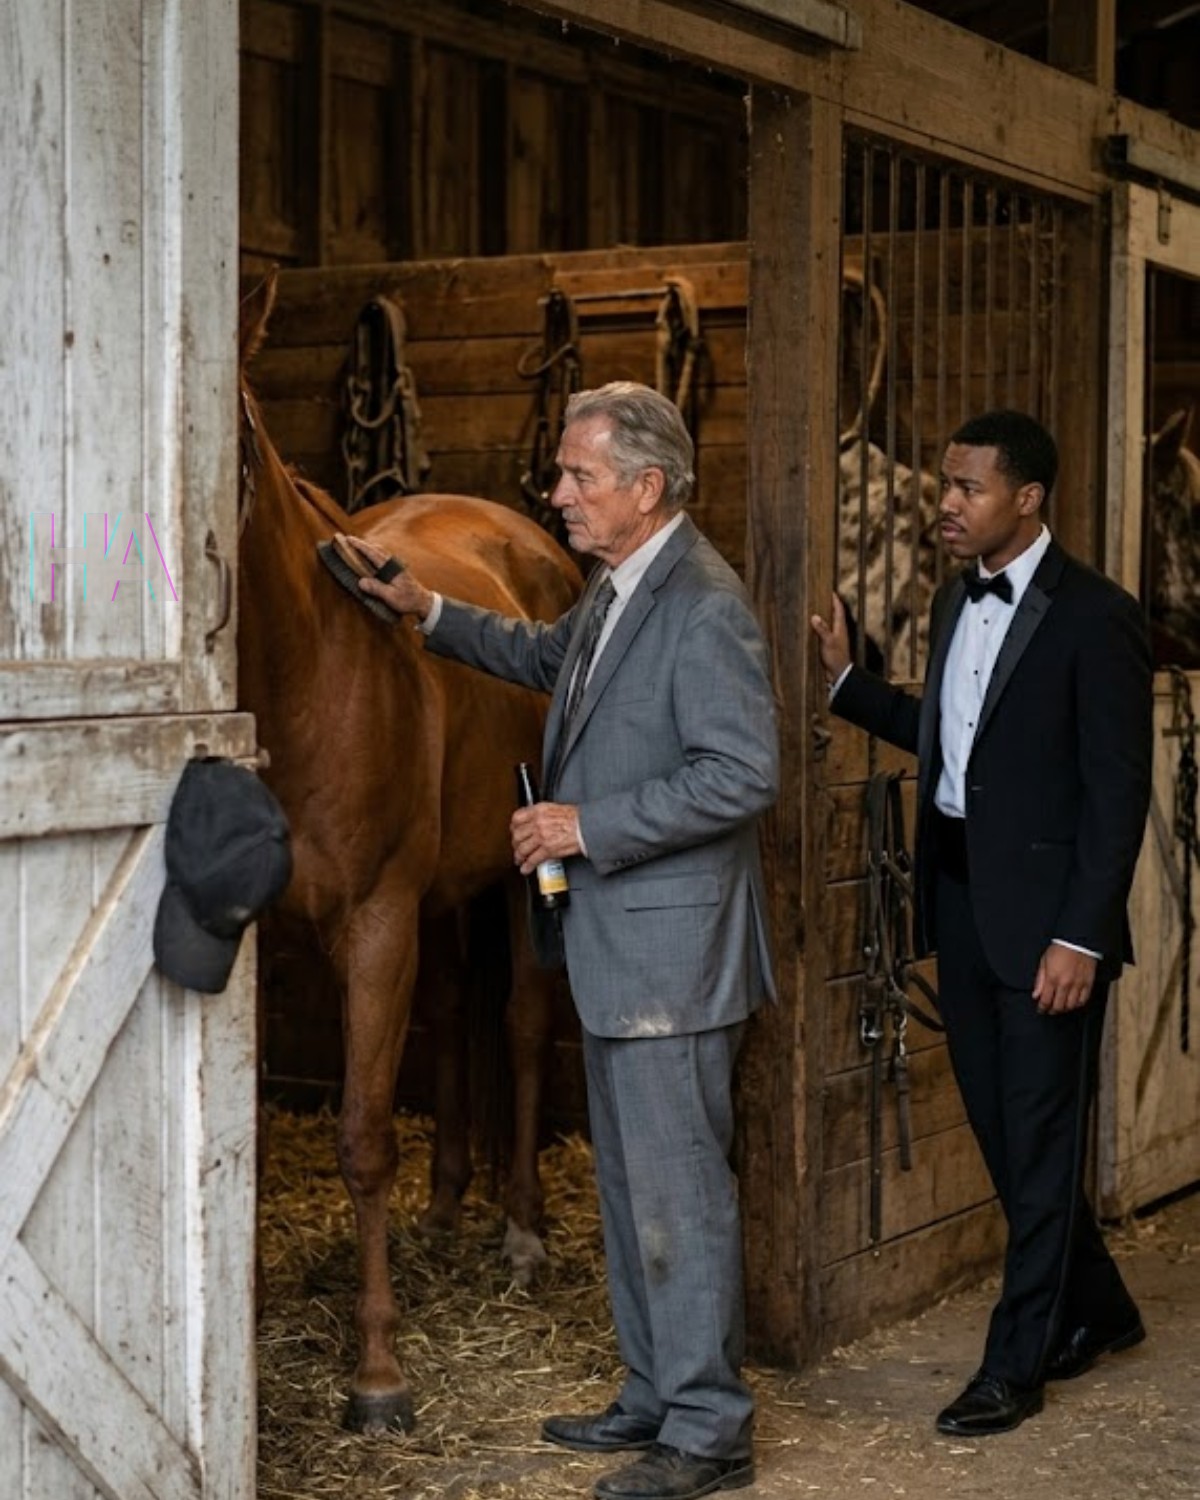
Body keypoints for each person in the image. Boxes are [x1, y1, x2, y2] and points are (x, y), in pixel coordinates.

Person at [347, 381, 778, 1500]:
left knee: (681, 1198)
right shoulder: (619, 589)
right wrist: (426, 610)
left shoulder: (703, 603)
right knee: (633, 1191)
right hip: (622, 953)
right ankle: (653, 1394)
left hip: (674, 960)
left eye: (580, 476)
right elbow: (548, 660)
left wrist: (589, 826)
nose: (558, 495)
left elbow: (743, 773)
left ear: (647, 486)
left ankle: (708, 1431)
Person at [811, 410, 1152, 1438]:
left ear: (1028, 498)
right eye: (946, 484)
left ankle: (1015, 1366)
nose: (947, 504)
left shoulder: (1098, 616)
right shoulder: (957, 596)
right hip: (957, 902)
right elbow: (954, 743)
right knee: (1007, 1138)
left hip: (1050, 928)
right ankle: (1103, 1308)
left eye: (968, 488)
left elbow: (1118, 795)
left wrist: (1082, 937)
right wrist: (846, 686)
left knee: (1041, 1146)